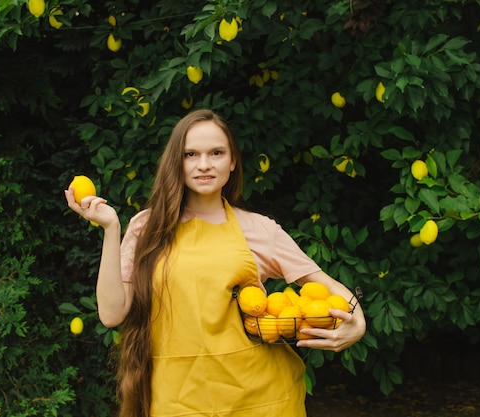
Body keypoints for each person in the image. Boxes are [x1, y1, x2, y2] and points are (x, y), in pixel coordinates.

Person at [64, 109, 366, 417]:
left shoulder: (260, 230)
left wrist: (358, 323)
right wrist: (111, 228)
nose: (204, 164)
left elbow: (328, 287)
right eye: (191, 154)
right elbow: (112, 314)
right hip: (177, 401)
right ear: (176, 162)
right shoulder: (147, 228)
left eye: (217, 153)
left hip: (259, 401)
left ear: (232, 161)